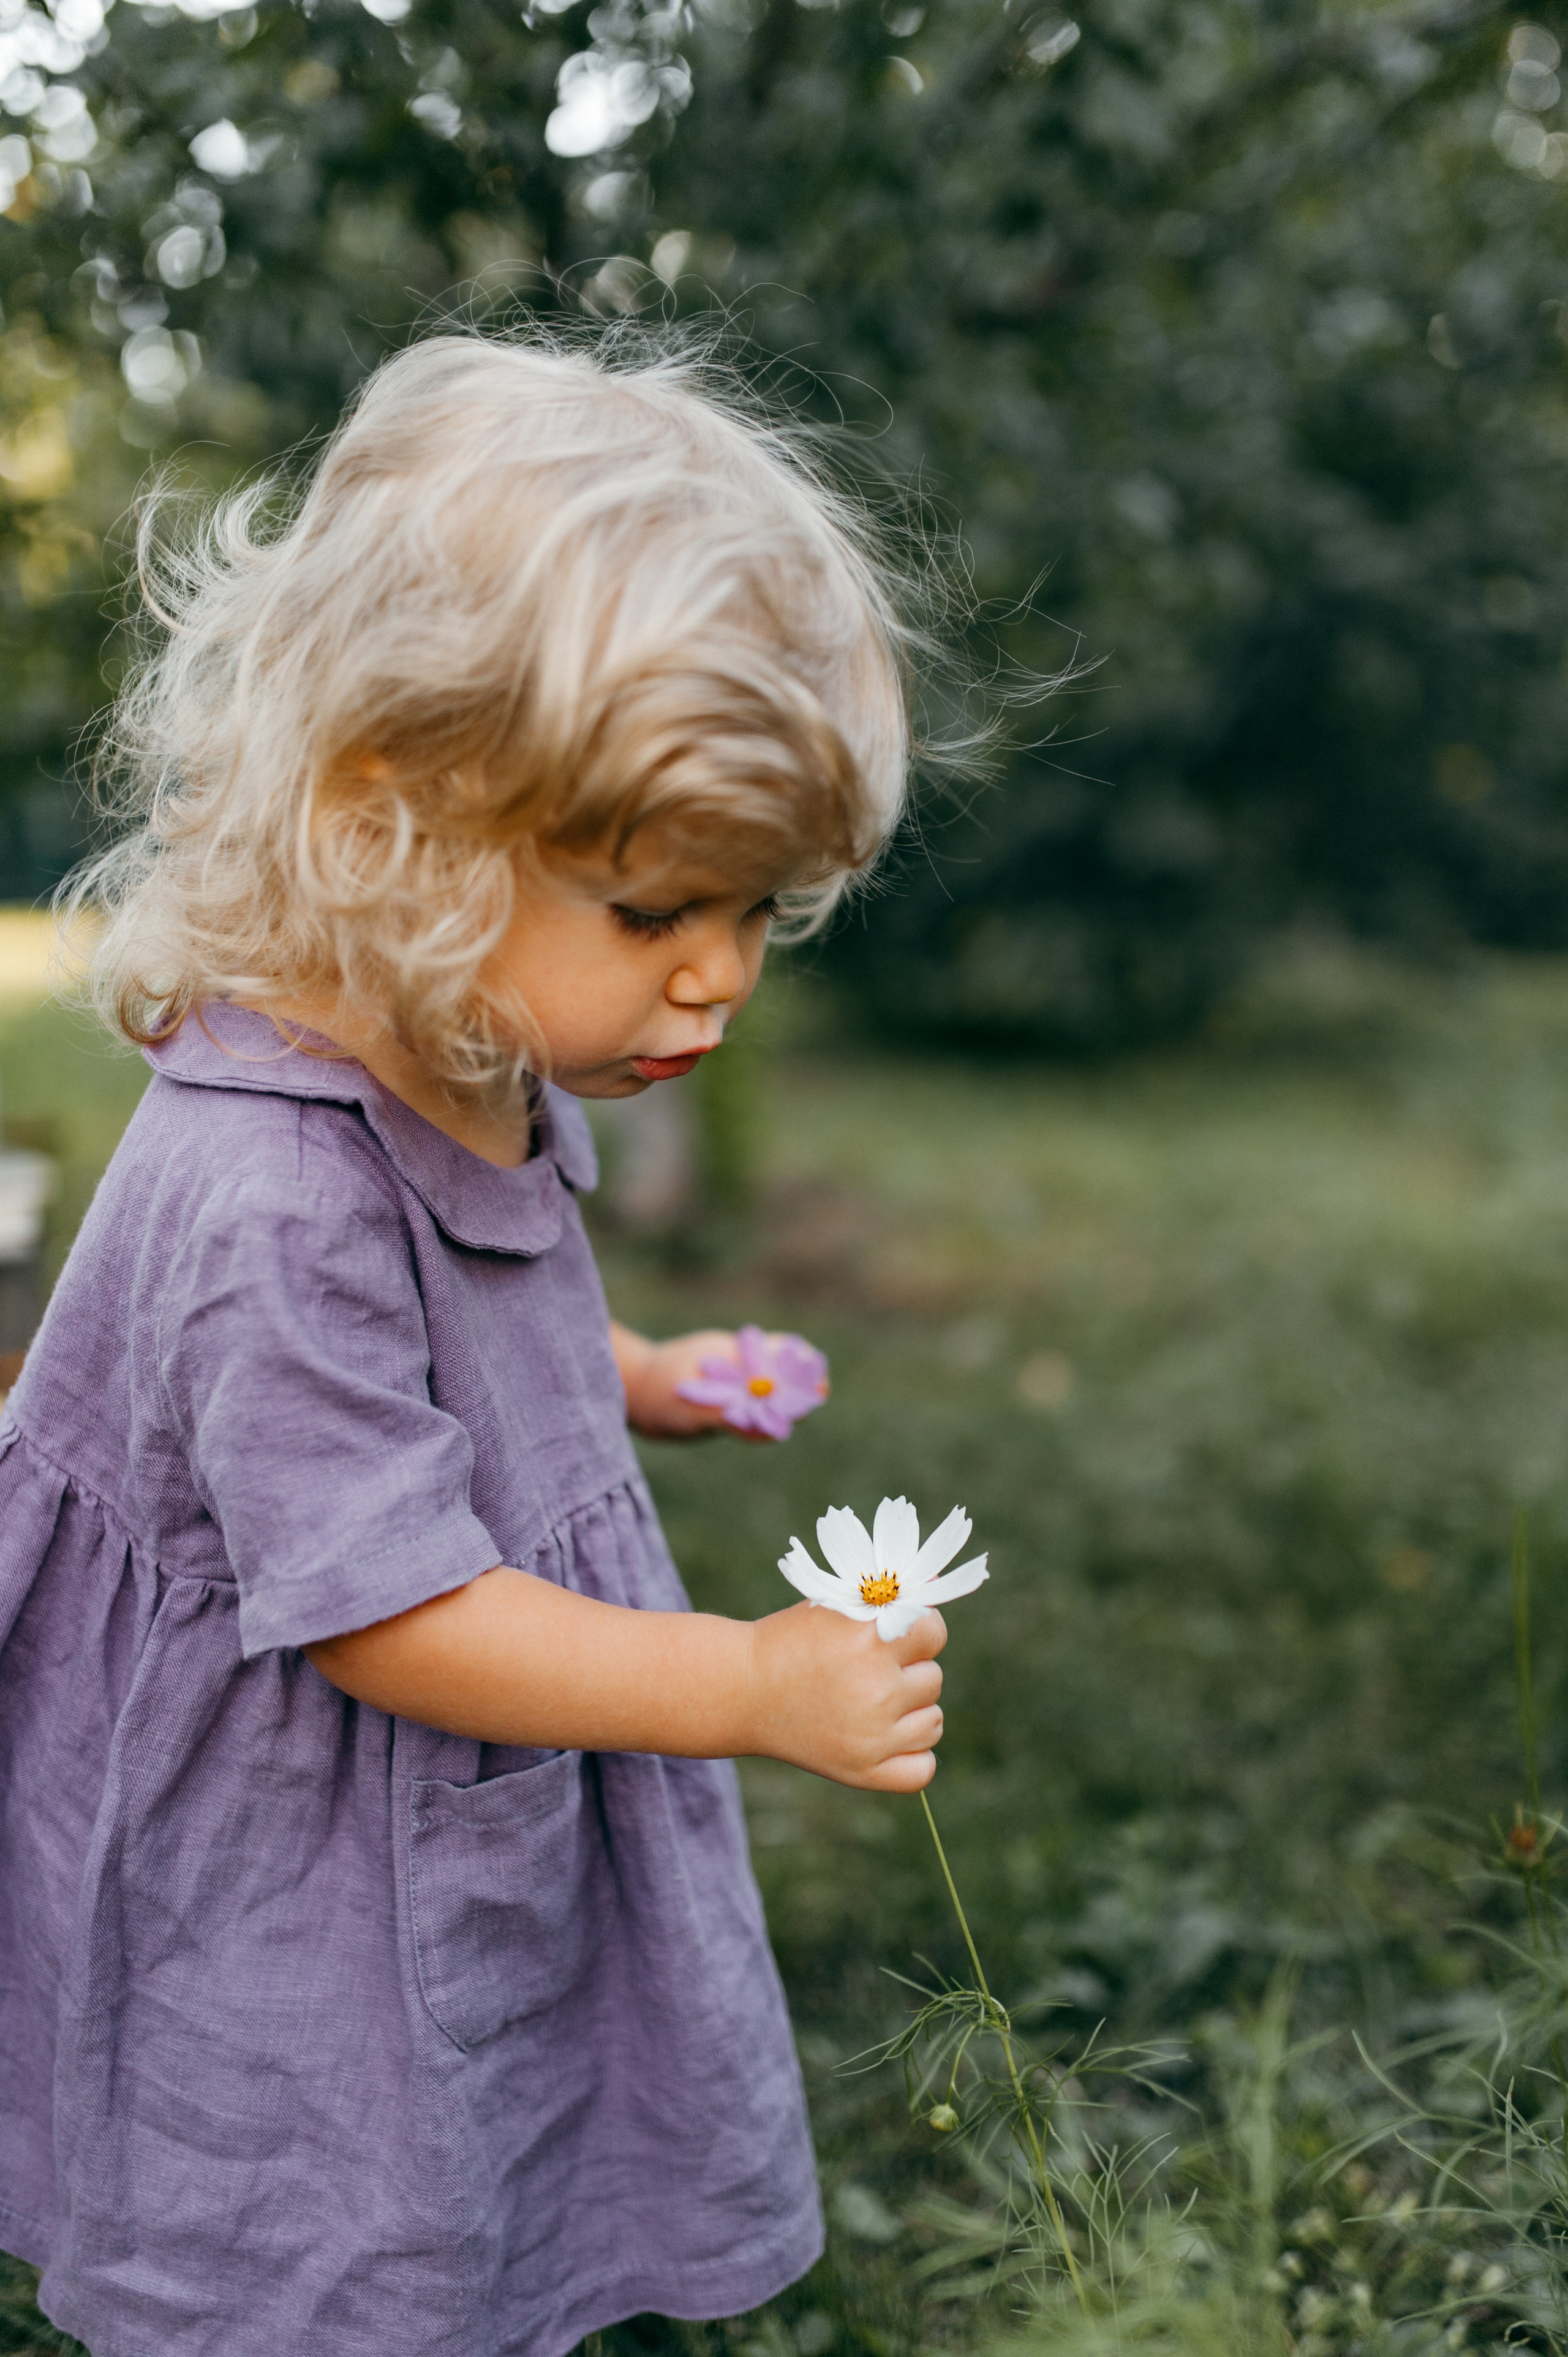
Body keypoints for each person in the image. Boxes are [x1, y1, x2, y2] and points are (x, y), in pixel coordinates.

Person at [0, 330, 948, 2357]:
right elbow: (386, 1618)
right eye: (658, 906)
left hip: (441, 1780)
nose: (717, 977)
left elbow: (453, 1342)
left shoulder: (469, 1042)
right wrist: (749, 1682)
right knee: (338, 2216)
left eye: (762, 911)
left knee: (487, 2150)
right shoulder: (270, 1196)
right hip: (297, 1825)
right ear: (391, 822)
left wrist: (641, 1373)